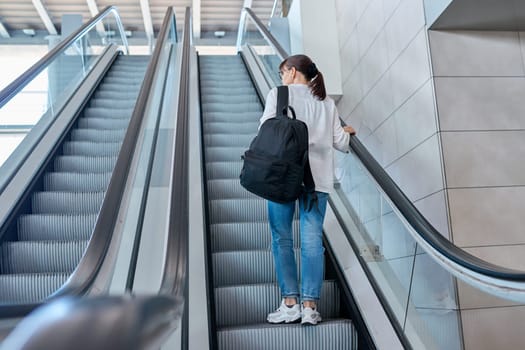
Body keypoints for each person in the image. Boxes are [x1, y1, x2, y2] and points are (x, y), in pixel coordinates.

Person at [261, 54, 355, 325]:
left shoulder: (278, 95)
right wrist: (347, 132)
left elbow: (265, 131)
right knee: (313, 241)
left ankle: (290, 303)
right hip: (318, 181)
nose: (282, 78)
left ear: (291, 72)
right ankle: (310, 307)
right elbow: (341, 143)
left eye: (283, 73)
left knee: (282, 239)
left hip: (282, 178)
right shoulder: (326, 102)